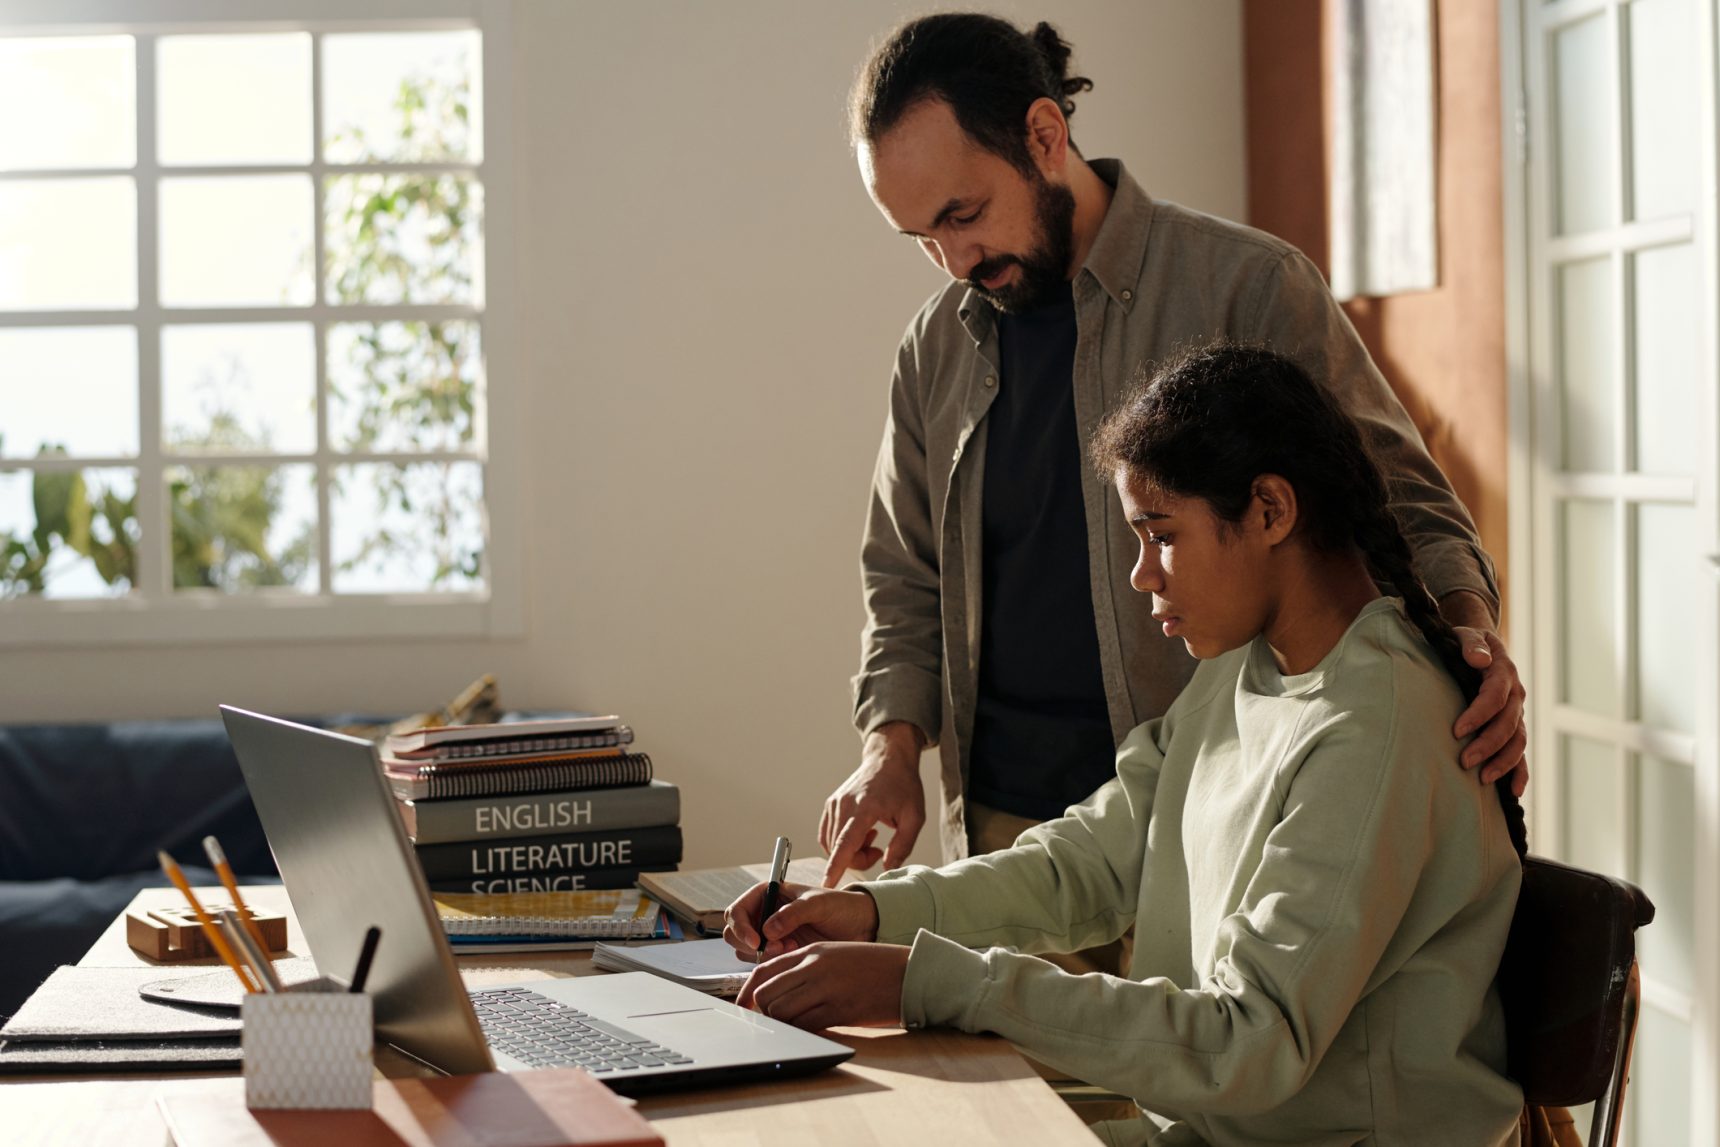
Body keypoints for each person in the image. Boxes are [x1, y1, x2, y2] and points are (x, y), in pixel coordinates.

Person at [732, 343, 1528, 1146]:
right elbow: (1088, 864)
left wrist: (924, 980)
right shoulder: (1243, 670)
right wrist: (874, 913)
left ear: (1270, 510)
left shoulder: (1374, 722)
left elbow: (1248, 1038)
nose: (1143, 574)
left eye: (1161, 535)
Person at [820, 14, 1527, 898]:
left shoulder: (1248, 287)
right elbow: (904, 578)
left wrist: (1469, 635)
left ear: (1044, 136)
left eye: (964, 215)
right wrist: (888, 748)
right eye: (922, 237)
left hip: (1217, 829)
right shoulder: (934, 350)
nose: (954, 258)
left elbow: (1404, 503)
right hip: (1005, 842)